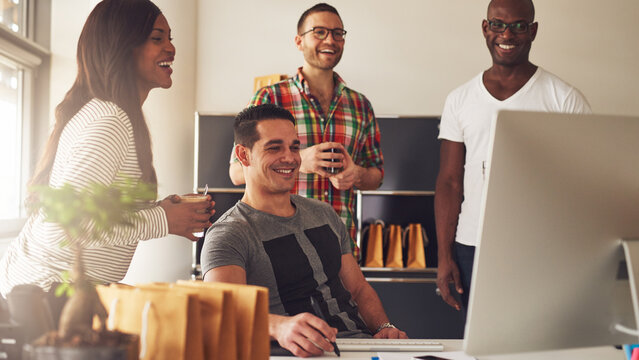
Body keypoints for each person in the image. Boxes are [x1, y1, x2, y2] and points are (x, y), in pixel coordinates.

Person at [0, 0, 213, 300]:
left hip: (59, 291)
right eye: (157, 38)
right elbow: (67, 222)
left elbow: (93, 210)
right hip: (46, 296)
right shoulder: (109, 121)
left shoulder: (114, 115)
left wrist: (161, 211)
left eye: (170, 38)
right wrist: (162, 220)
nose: (171, 48)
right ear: (122, 46)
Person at [203, 104, 406, 358]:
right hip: (296, 354)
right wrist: (279, 327)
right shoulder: (229, 234)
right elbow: (222, 312)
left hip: (361, 349)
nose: (290, 157)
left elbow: (358, 289)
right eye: (274, 148)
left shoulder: (323, 213)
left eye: (294, 147)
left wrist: (384, 328)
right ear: (243, 156)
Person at [435, 0, 591, 313]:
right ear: (485, 28)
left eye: (519, 26)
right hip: (473, 246)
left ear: (533, 31)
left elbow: (585, 184)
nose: (507, 33)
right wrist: (444, 256)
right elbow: (450, 182)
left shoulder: (563, 98)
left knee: (538, 344)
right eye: (498, 24)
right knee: (480, 346)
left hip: (541, 247)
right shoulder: (460, 99)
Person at [228, 3, 384, 256]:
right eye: (319, 32)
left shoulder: (360, 105)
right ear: (299, 41)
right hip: (279, 247)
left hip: (341, 250)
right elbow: (236, 172)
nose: (330, 40)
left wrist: (355, 174)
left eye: (337, 33)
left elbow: (377, 176)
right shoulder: (269, 97)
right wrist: (299, 161)